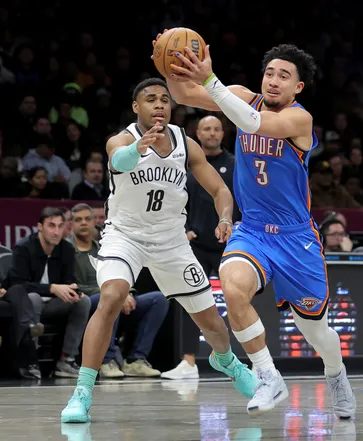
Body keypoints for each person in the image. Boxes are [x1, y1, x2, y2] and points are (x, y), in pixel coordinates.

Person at [160, 37, 356, 417]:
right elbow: (183, 94)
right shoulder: (239, 96)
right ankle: (268, 376)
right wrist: (169, 62)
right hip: (252, 230)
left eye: (284, 76)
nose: (274, 80)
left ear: (297, 87)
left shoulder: (300, 118)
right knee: (231, 288)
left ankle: (335, 373)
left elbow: (255, 123)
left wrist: (211, 80)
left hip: (297, 238)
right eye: (269, 73)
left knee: (317, 334)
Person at [60, 78, 257, 424]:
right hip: (126, 237)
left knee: (211, 322)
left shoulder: (185, 142)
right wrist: (137, 150)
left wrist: (226, 216)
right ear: (136, 107)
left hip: (171, 240)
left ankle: (226, 360)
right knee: (112, 297)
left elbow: (220, 189)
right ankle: (83, 392)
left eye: (165, 99)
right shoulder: (122, 140)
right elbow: (118, 161)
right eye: (150, 99)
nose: (160, 104)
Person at [162, 115, 238, 380]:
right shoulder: (187, 164)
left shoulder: (234, 164)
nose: (212, 133)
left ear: (223, 133)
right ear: (197, 133)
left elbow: (245, 200)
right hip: (196, 244)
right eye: (207, 128)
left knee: (238, 300)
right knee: (190, 300)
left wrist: (238, 226)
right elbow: (173, 199)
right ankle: (188, 362)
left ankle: (245, 359)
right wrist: (183, 230)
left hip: (229, 242)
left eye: (217, 129)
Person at [68, 203, 168, 378]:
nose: (83, 223)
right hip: (87, 302)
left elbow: (123, 272)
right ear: (71, 224)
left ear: (94, 222)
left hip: (116, 296)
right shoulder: (67, 249)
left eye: (87, 219)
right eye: (78, 220)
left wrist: (128, 293)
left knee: (158, 299)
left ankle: (136, 359)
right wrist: (114, 293)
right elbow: (71, 285)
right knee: (107, 298)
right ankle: (107, 361)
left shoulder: (105, 247)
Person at [4, 206, 90, 378]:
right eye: (51, 225)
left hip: (52, 304)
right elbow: (18, 285)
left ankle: (66, 360)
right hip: (26, 303)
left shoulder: (66, 249)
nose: (56, 231)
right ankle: (30, 360)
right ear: (40, 227)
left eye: (60, 226)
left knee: (83, 301)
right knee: (33, 298)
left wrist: (72, 290)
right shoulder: (24, 248)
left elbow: (68, 281)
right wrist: (52, 288)